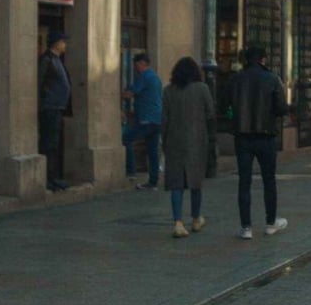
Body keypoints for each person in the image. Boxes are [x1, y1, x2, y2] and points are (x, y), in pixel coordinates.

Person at [228, 45, 289, 239]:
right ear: (263, 59)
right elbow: (281, 108)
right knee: (268, 180)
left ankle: (246, 227)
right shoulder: (272, 78)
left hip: (243, 136)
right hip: (266, 136)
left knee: (244, 182)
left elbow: (225, 103)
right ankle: (271, 223)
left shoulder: (236, 79)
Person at [160, 56, 215, 239]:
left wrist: (164, 141)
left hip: (174, 142)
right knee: (195, 182)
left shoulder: (168, 91)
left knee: (176, 184)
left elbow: (164, 119)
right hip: (197, 142)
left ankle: (178, 222)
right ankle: (196, 217)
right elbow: (210, 114)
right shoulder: (202, 89)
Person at [124, 53, 163, 190]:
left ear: (141, 64)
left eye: (136, 65)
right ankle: (153, 182)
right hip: (157, 119)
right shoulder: (156, 77)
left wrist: (122, 93)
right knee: (152, 151)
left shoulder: (144, 77)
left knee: (126, 138)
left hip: (146, 119)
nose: (136, 68)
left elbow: (130, 94)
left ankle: (131, 171)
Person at [38, 30, 70, 192]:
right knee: (49, 143)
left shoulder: (57, 60)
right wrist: (43, 102)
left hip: (57, 107)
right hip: (50, 107)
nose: (66, 45)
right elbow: (40, 82)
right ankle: (49, 178)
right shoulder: (47, 59)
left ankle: (54, 176)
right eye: (64, 41)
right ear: (57, 43)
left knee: (55, 143)